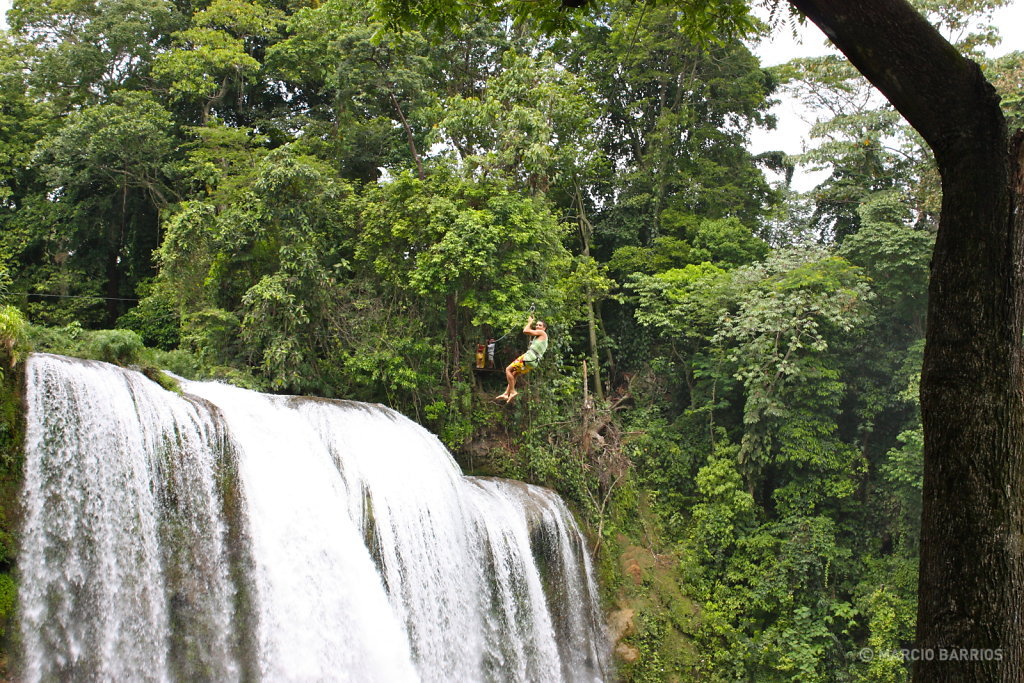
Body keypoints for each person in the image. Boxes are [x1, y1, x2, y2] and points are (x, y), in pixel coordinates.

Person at [496, 315, 548, 403]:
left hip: (528, 358)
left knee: (508, 369)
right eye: (537, 325)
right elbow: (530, 332)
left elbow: (525, 331)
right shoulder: (539, 337)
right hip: (532, 362)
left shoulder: (542, 333)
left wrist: (530, 322)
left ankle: (512, 391)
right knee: (514, 374)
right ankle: (506, 394)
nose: (537, 326)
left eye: (540, 325)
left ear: (544, 328)